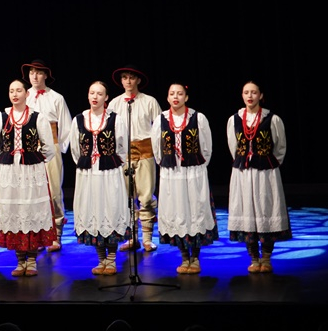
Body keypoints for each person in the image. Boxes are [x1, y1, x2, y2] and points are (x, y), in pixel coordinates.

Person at [0, 78, 57, 277]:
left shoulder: (37, 117)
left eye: (19, 90)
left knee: (30, 210)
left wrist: (35, 160)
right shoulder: (2, 116)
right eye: (11, 91)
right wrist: (5, 158)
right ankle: (19, 260)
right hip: (8, 172)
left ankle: (32, 260)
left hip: (31, 171)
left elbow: (49, 148)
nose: (15, 94)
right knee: (14, 210)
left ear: (27, 93)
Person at [150, 83, 218, 274]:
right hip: (172, 174)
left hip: (193, 172)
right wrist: (168, 164)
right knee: (177, 212)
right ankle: (184, 257)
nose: (176, 97)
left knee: (194, 211)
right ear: (167, 97)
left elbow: (206, 147)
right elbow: (157, 149)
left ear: (186, 97)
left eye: (180, 94)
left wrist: (197, 166)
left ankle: (195, 258)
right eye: (172, 94)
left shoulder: (198, 118)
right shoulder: (161, 119)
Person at [226, 80, 291, 273]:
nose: (250, 96)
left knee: (266, 211)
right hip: (243, 174)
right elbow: (233, 146)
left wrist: (268, 162)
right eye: (246, 92)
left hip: (266, 173)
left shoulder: (273, 119)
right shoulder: (234, 119)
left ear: (260, 95)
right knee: (247, 211)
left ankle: (267, 257)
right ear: (242, 95)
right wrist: (243, 160)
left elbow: (280, 147)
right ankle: (254, 258)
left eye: (254, 92)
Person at [70, 81, 131, 276]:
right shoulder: (79, 119)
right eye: (92, 93)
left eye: (99, 94)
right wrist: (88, 162)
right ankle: (101, 259)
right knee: (93, 211)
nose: (95, 97)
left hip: (109, 173)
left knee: (110, 210)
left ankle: (111, 259)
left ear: (106, 98)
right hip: (88, 174)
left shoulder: (116, 119)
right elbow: (75, 150)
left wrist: (110, 161)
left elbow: (122, 147)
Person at [108, 64, 162, 252]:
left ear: (138, 80)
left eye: (131, 77)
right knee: (127, 197)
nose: (128, 81)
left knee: (145, 196)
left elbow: (159, 128)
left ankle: (147, 238)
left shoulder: (149, 101)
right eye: (125, 78)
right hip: (124, 154)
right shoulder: (115, 103)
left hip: (145, 151)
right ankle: (132, 237)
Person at [22, 59, 73, 251]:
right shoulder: (24, 96)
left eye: (38, 72)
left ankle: (56, 233)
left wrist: (60, 148)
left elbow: (66, 125)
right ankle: (37, 234)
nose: (34, 76)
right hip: (30, 149)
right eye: (31, 72)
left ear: (45, 75)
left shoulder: (56, 97)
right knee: (33, 191)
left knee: (53, 190)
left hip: (51, 146)